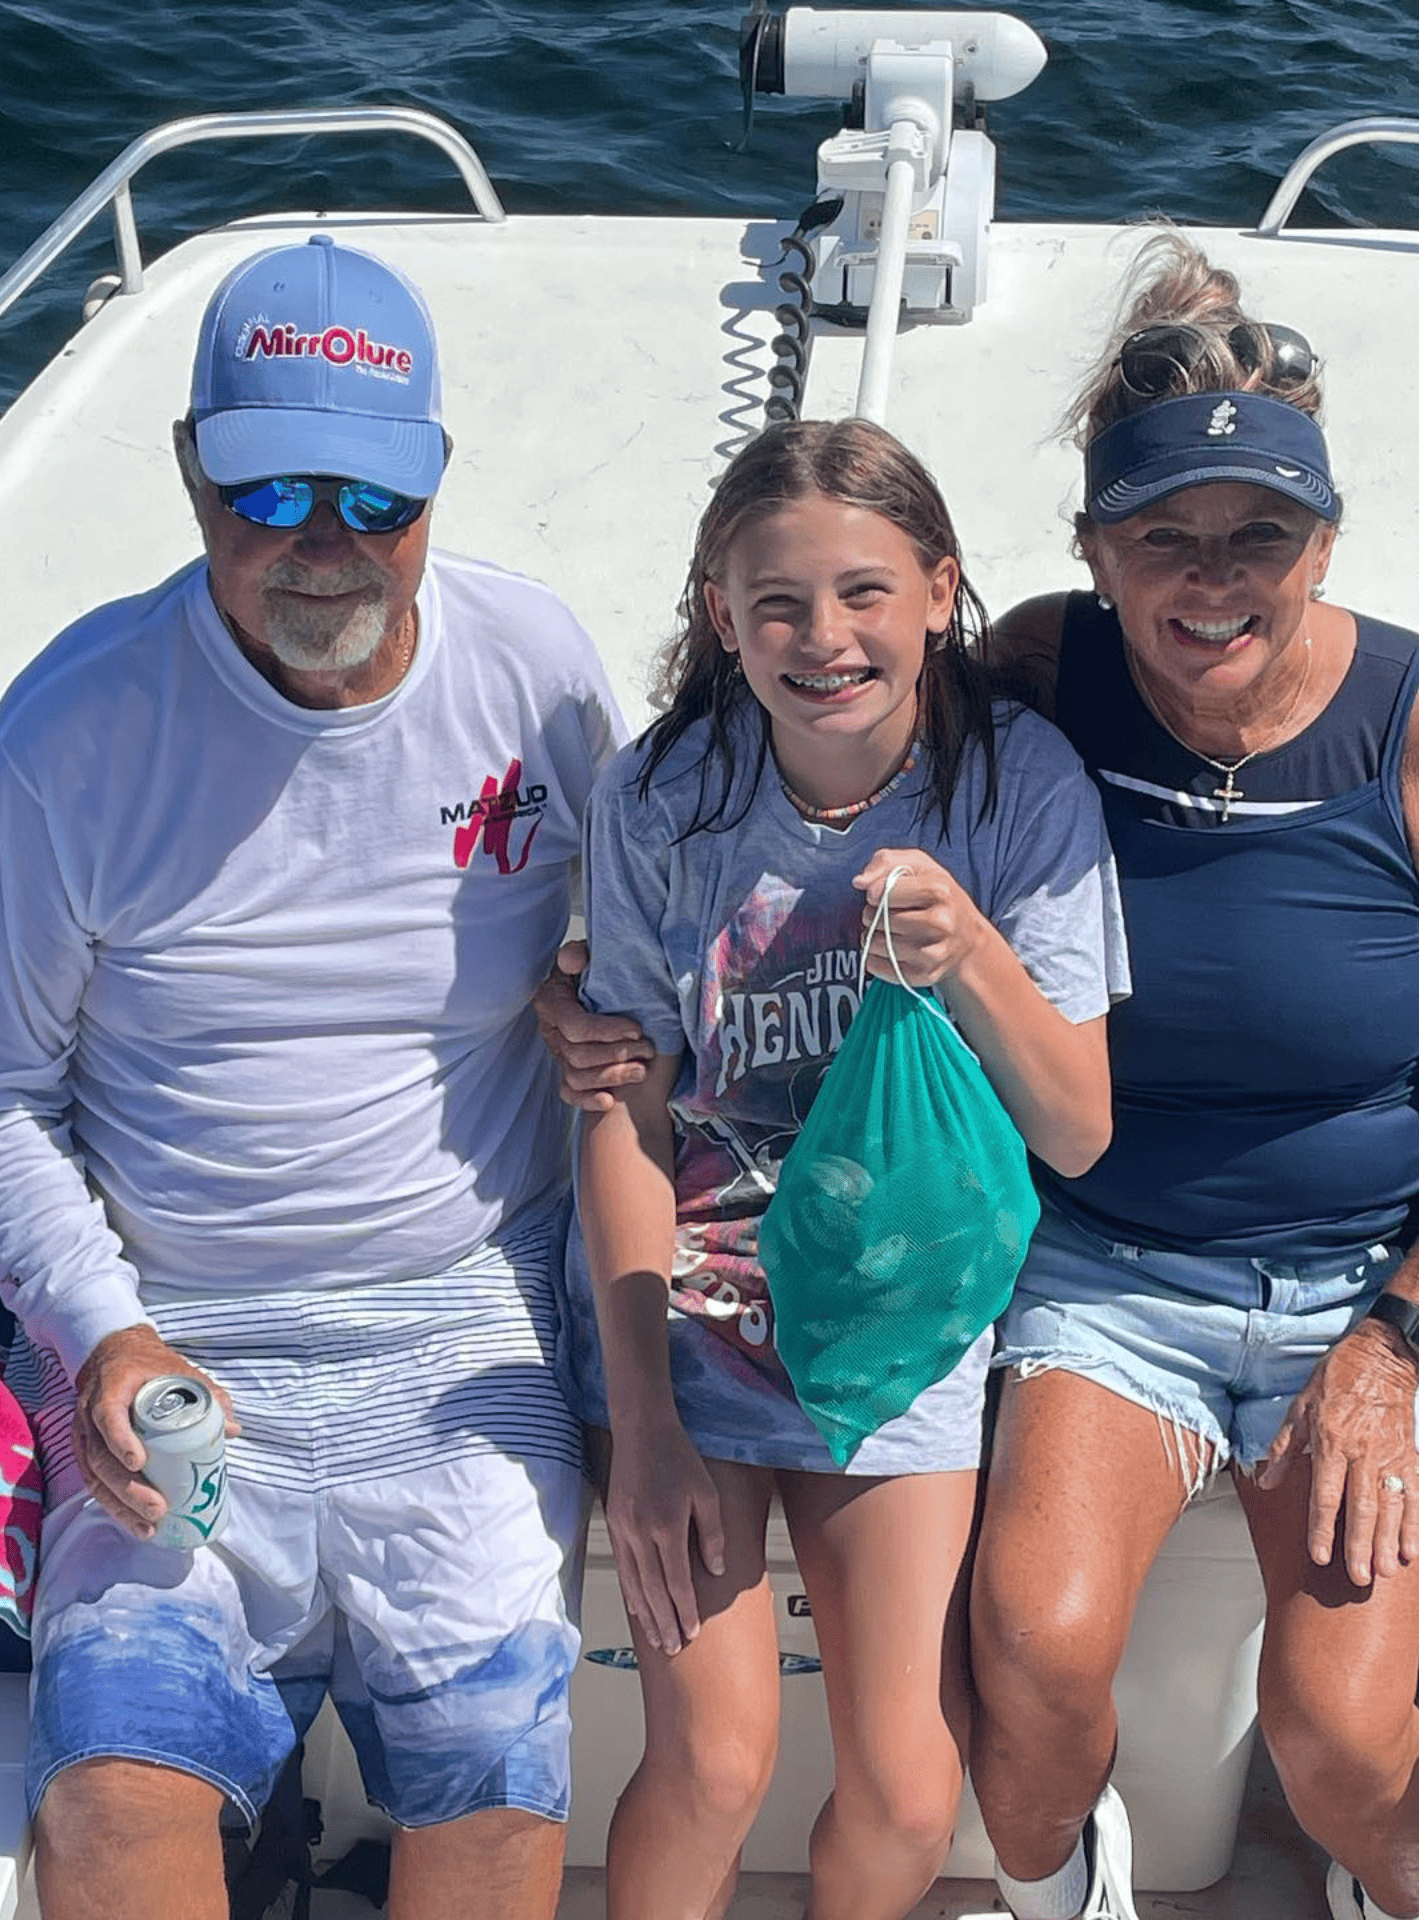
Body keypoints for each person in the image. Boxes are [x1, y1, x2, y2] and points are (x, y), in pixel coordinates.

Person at [0, 235, 623, 1920]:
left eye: (369, 500)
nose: (321, 546)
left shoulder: (539, 676)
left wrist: (605, 1008)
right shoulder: (68, 731)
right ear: (190, 475)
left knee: (500, 1789)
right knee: (108, 1802)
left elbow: (656, 922)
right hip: (170, 1320)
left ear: (435, 484)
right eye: (269, 492)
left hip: (468, 1312)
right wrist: (101, 1326)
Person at [961, 236, 1419, 1920]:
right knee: (1029, 1649)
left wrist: (1396, 1343)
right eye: (1162, 537)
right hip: (1102, 1263)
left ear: (1326, 542)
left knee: (1341, 1729)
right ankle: (1057, 1894)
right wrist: (626, 994)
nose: (1211, 578)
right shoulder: (1037, 671)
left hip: (1370, 1282)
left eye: (1263, 538)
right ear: (1095, 551)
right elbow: (832, 765)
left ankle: (1394, 1893)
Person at [565, 418, 1129, 1920]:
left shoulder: (1022, 791)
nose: (826, 639)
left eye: (867, 592)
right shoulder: (661, 796)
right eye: (778, 603)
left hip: (902, 1304)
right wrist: (645, 1428)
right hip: (689, 1313)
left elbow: (1076, 1126)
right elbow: (623, 1111)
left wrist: (977, 957)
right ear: (720, 615)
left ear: (943, 592)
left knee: (903, 1791)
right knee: (715, 1762)